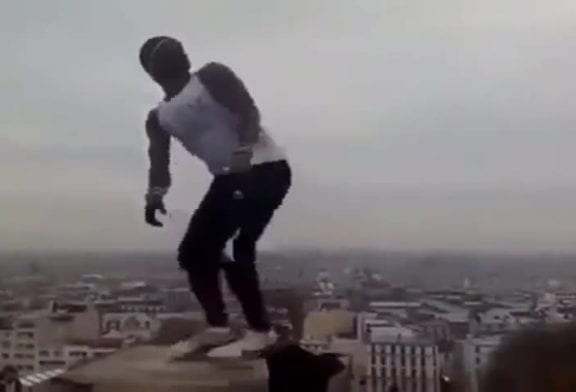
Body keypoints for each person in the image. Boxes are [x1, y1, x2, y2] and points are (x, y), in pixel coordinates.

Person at [138, 36, 291, 359]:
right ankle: (218, 327)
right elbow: (159, 161)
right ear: (153, 71)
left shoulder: (212, 76)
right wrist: (155, 195)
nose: (182, 56)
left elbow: (249, 112)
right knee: (194, 252)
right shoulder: (159, 117)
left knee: (237, 247)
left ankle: (260, 331)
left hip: (265, 169)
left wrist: (244, 149)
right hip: (228, 178)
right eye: (171, 55)